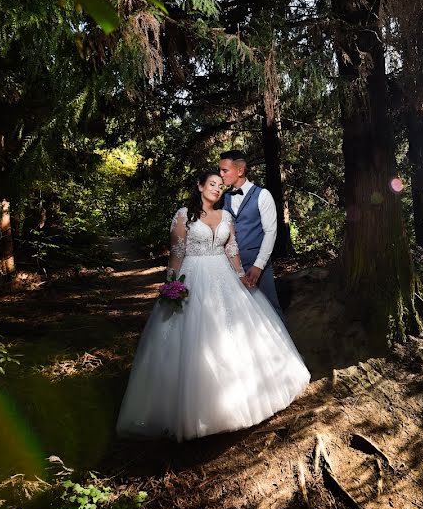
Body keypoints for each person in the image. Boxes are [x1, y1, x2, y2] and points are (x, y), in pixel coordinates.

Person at [115, 171, 310, 442]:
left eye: (220, 186)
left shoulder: (226, 217)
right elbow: (177, 253)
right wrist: (172, 284)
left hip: (224, 277)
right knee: (192, 338)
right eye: (212, 184)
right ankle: (195, 411)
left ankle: (242, 401)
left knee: (237, 333)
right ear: (200, 186)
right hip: (193, 277)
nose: (217, 189)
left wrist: (243, 277)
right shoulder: (184, 214)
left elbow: (232, 251)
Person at [218, 150, 284, 319]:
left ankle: (281, 344)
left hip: (257, 263)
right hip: (232, 266)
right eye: (220, 170)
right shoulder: (224, 198)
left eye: (225, 170)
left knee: (270, 308)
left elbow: (270, 232)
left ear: (240, 170)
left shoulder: (262, 195)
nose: (221, 175)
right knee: (240, 314)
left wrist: (259, 265)